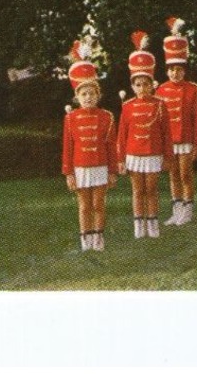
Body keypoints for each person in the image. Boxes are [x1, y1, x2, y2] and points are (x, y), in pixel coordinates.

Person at [61, 44, 118, 251]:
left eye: (92, 93)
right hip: (80, 168)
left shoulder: (107, 117)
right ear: (77, 97)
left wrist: (112, 171)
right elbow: (67, 147)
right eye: (84, 94)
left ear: (98, 95)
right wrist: (68, 173)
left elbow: (111, 146)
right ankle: (85, 238)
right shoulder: (70, 118)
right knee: (84, 205)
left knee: (99, 204)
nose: (88, 97)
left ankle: (98, 237)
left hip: (101, 166)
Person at [115, 32, 170, 239]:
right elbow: (122, 135)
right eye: (138, 85)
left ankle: (153, 223)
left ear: (152, 84)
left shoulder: (160, 105)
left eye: (146, 84)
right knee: (137, 190)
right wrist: (120, 159)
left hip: (154, 153)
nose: (142, 88)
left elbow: (167, 134)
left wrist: (167, 156)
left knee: (152, 189)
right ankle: (139, 225)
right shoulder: (127, 106)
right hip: (133, 154)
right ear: (132, 86)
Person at [156, 18, 197, 226]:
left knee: (185, 174)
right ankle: (176, 210)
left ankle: (188, 210)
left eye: (179, 69)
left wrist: (196, 143)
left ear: (184, 70)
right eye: (172, 69)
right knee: (172, 175)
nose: (175, 73)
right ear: (167, 71)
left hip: (185, 139)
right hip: (168, 141)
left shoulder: (193, 89)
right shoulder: (161, 90)